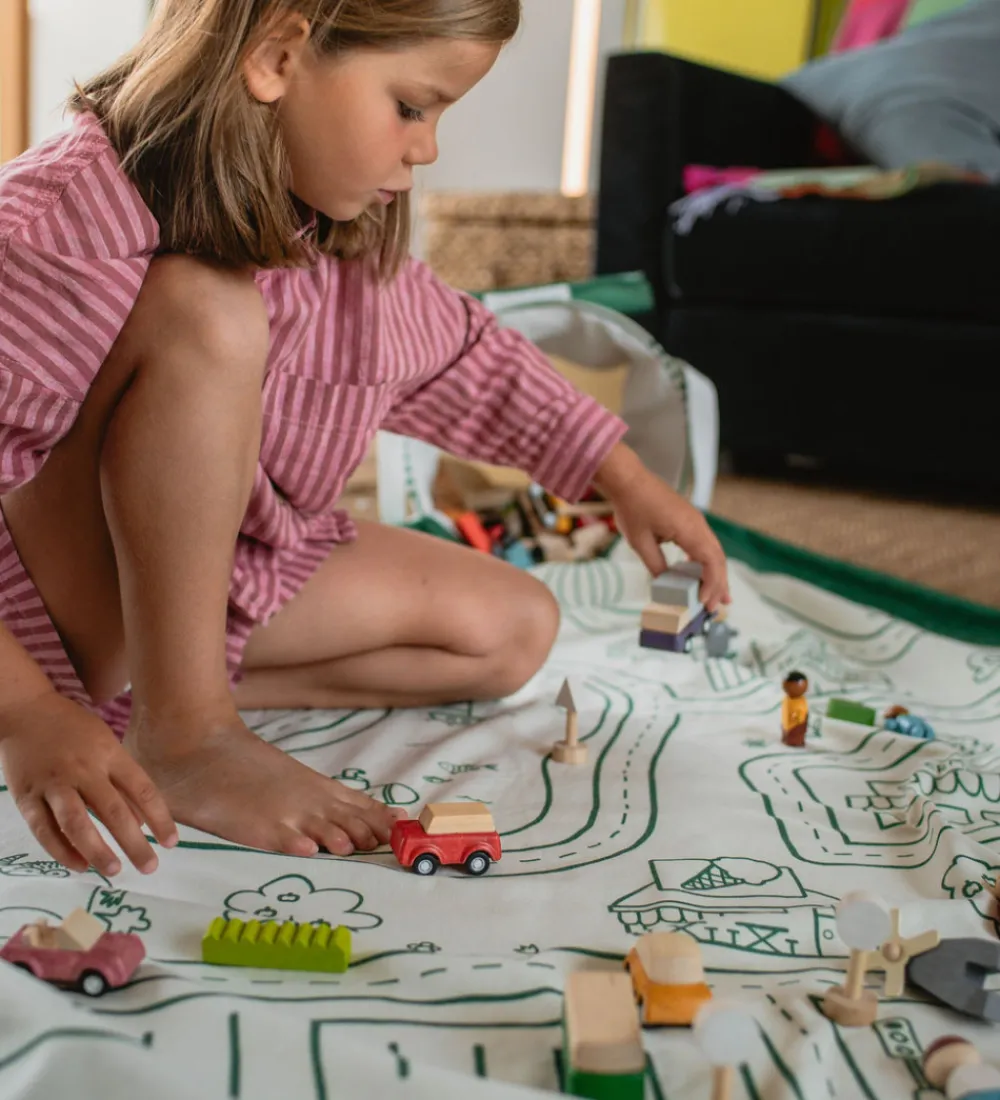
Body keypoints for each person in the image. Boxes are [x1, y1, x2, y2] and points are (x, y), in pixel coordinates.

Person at [0, 0, 730, 880]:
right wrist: (26, 710)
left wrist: (625, 478)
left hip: (215, 576)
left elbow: (463, 355)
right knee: (208, 310)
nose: (427, 150)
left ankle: (154, 694)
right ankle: (184, 731)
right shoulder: (55, 228)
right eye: (412, 107)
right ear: (276, 55)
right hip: (34, 614)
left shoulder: (330, 230)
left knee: (514, 629)